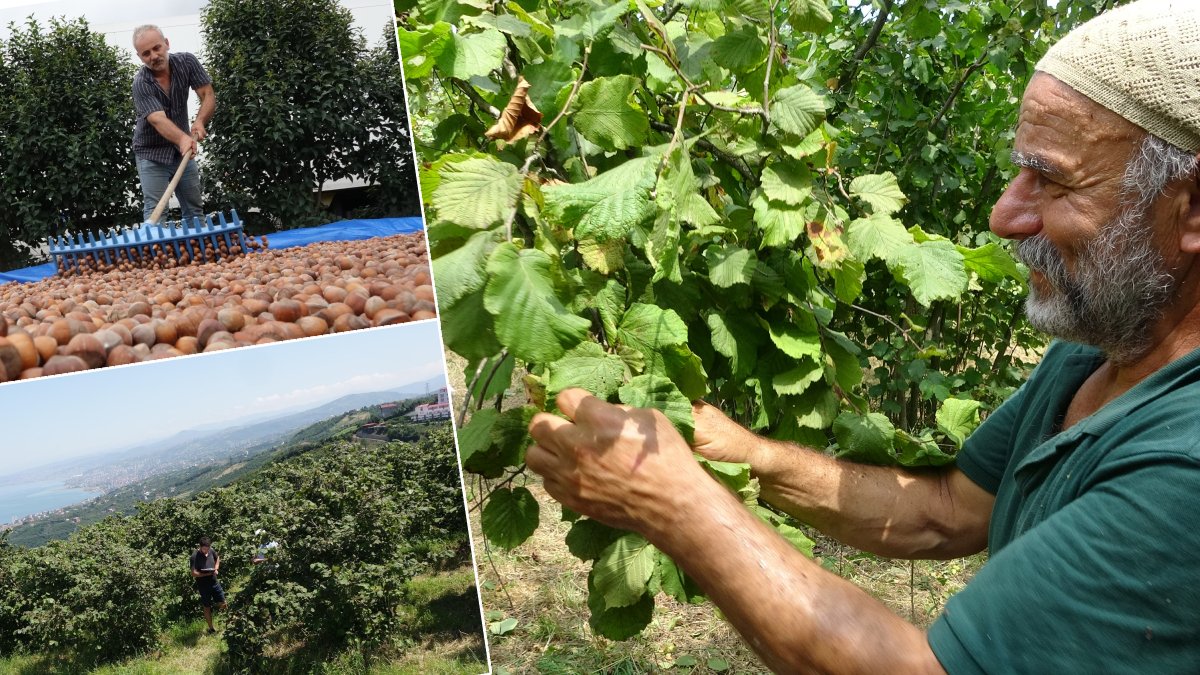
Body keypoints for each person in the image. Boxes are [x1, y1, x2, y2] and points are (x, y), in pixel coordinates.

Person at [526, 1, 1200, 672]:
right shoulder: (1101, 352)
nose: (1003, 215)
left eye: (1052, 180)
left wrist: (672, 502)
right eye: (1020, 171)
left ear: (1191, 206)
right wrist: (749, 457)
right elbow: (944, 510)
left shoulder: (1184, 466)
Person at [131, 24, 216, 224]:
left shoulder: (187, 62)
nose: (153, 56)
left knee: (194, 211)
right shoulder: (141, 83)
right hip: (151, 154)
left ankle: (199, 252)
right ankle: (157, 253)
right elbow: (157, 119)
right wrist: (183, 138)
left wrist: (200, 121)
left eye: (157, 48)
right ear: (140, 57)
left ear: (166, 44)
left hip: (182, 151)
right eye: (146, 53)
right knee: (156, 214)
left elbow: (208, 94)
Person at [190, 536, 227, 633]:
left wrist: (216, 568)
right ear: (200, 547)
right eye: (204, 549)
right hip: (203, 585)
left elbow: (217, 558)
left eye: (207, 549)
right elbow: (193, 573)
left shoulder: (211, 550)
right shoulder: (194, 556)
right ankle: (211, 628)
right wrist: (206, 573)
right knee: (207, 607)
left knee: (223, 603)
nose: (206, 551)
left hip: (214, 582)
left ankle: (224, 621)